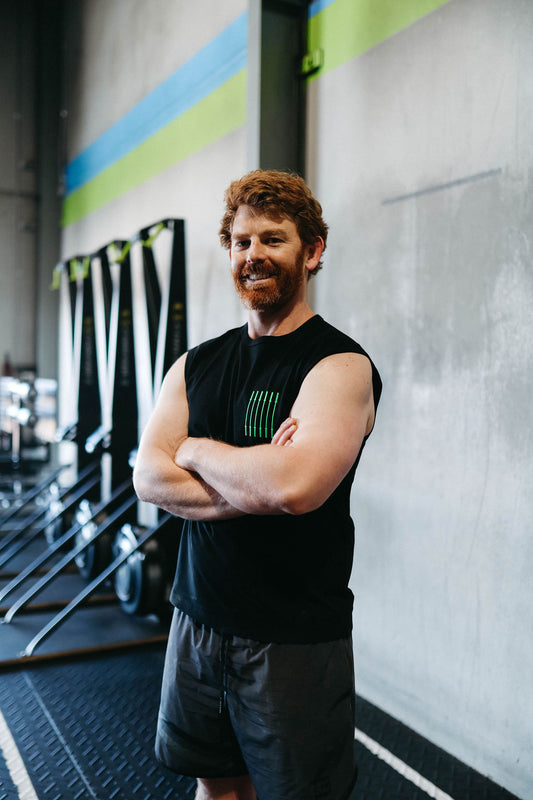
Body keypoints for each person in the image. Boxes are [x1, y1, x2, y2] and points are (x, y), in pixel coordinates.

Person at [133, 169, 382, 800]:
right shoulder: (196, 364)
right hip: (196, 618)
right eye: (242, 242)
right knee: (215, 787)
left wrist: (194, 449)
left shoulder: (339, 365)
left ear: (313, 251)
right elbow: (149, 477)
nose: (254, 256)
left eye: (273, 239)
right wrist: (253, 477)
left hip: (292, 637)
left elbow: (294, 488)